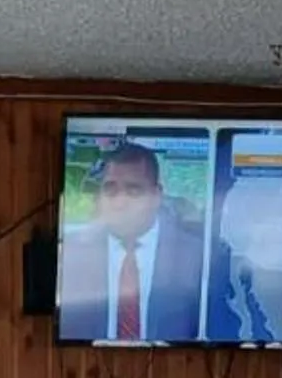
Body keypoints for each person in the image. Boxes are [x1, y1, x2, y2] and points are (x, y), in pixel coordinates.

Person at [59, 140, 206, 344]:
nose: (120, 203)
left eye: (133, 191)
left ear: (156, 196)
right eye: (111, 190)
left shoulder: (195, 255)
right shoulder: (74, 252)